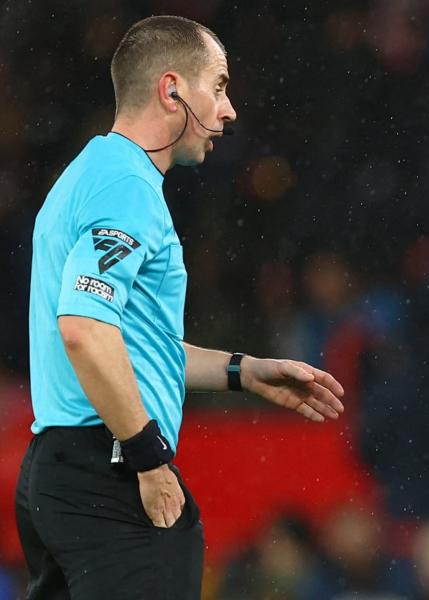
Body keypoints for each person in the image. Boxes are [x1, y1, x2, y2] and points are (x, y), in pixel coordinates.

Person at [16, 15, 345, 600]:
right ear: (171, 90)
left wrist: (244, 371)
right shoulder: (128, 188)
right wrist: (146, 457)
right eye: (218, 86)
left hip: (57, 470)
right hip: (109, 471)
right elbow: (86, 331)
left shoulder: (87, 175)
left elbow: (129, 344)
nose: (229, 109)